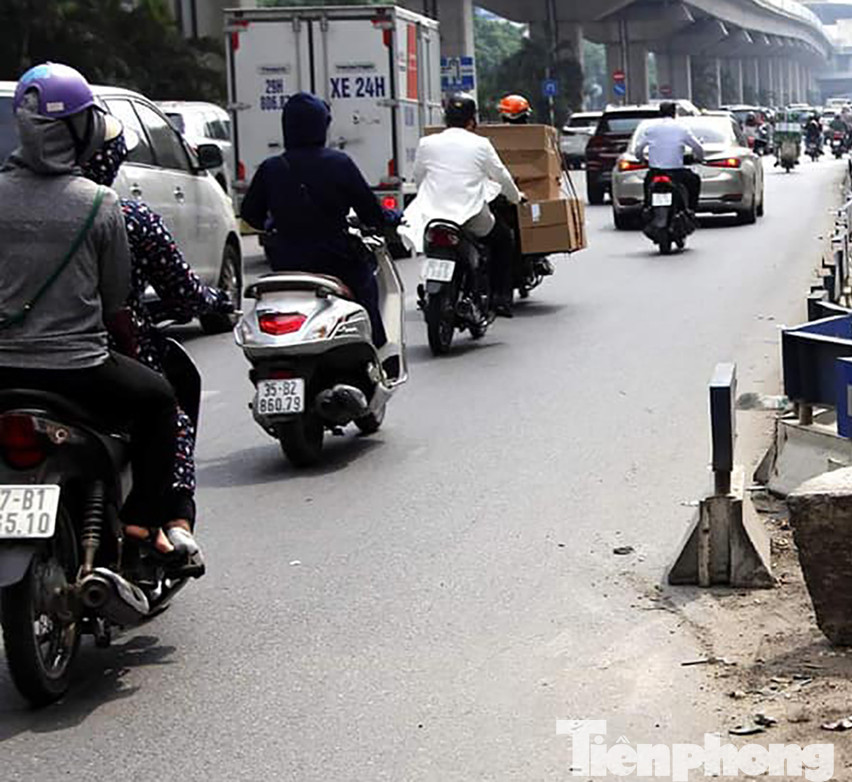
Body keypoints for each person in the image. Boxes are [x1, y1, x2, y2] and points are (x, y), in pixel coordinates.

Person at [0, 63, 183, 556]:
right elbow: (114, 298)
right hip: (77, 369)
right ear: (78, 131)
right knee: (159, 402)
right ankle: (144, 523)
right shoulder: (100, 204)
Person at [77, 125, 231, 573]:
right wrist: (216, 303)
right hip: (92, 357)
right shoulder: (118, 215)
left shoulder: (12, 205)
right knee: (168, 408)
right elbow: (181, 291)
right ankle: (158, 522)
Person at [241, 93, 392, 343]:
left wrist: (275, 222)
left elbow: (250, 215)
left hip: (286, 263)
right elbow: (370, 211)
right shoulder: (339, 163)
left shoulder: (271, 168)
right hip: (336, 260)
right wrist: (387, 218)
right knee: (366, 289)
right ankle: (376, 350)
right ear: (322, 124)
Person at [403, 93, 524, 317]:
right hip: (470, 216)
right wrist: (516, 197)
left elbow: (418, 178)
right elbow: (502, 177)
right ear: (472, 121)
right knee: (504, 239)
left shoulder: (427, 143)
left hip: (433, 216)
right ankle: (500, 299)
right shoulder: (481, 144)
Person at [635, 101, 705, 212]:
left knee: (647, 184)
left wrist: (643, 160)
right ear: (674, 113)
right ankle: (691, 210)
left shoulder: (651, 129)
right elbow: (697, 147)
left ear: (659, 113)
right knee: (694, 180)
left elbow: (638, 149)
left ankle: (647, 207)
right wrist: (700, 158)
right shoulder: (682, 129)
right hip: (676, 173)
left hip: (655, 172)